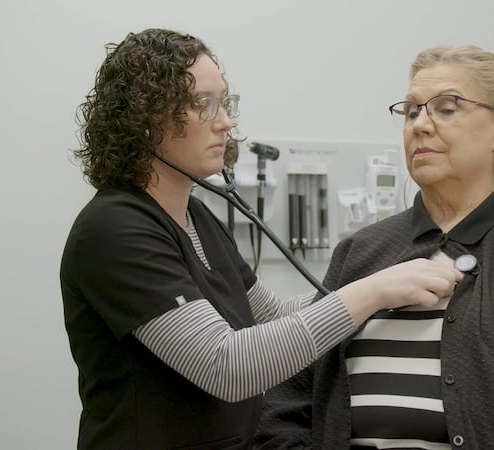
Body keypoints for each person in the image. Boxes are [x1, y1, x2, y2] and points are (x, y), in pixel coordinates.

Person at [60, 28, 462, 450]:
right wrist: (370, 292)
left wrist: (385, 277)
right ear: (144, 120)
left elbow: (270, 317)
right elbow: (225, 366)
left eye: (226, 101)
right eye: (203, 105)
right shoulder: (114, 229)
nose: (226, 121)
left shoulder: (197, 215)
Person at [256, 44, 494, 449]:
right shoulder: (359, 253)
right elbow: (285, 409)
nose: (420, 125)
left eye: (446, 108)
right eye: (411, 111)